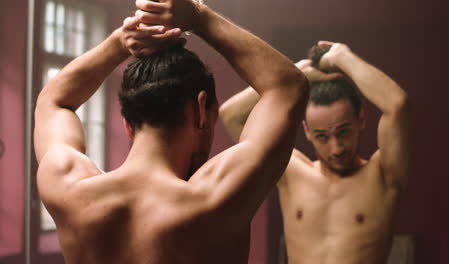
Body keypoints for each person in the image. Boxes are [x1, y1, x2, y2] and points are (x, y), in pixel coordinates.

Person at [33, 0, 322, 263]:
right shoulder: (214, 198)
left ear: (128, 124)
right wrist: (198, 17)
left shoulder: (69, 186)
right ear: (200, 110)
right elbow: (288, 87)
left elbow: (53, 101)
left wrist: (121, 41)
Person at [220, 41, 411, 264]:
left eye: (343, 132)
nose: (336, 148)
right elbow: (231, 114)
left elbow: (398, 105)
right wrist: (295, 75)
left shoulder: (384, 176)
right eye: (322, 136)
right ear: (307, 131)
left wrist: (343, 57)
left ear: (360, 120)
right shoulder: (292, 173)